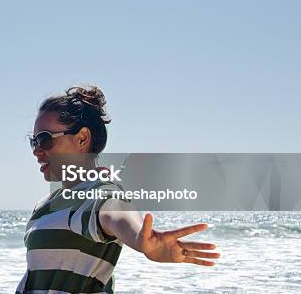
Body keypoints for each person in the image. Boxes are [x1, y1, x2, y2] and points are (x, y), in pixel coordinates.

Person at [16, 86, 220, 294]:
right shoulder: (45, 205)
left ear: (82, 138)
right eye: (34, 142)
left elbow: (113, 211)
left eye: (44, 139)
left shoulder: (98, 193)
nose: (36, 151)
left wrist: (140, 239)